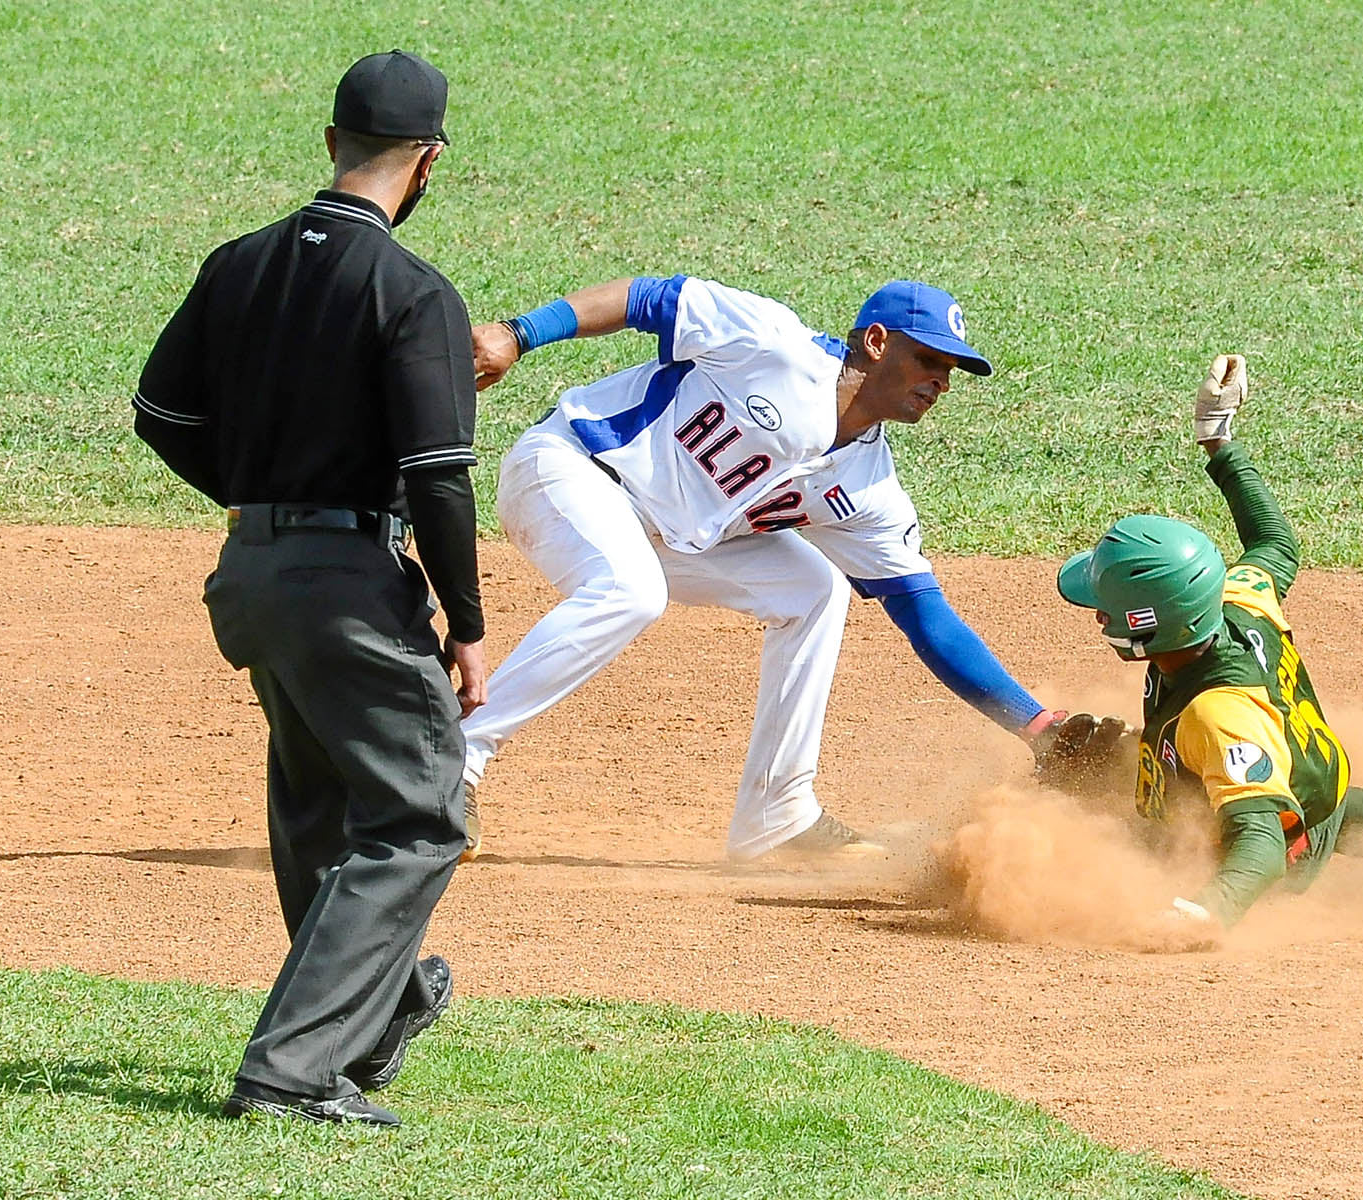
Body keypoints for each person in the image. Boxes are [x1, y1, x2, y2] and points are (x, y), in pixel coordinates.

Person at [132, 50, 484, 1125]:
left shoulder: (237, 263)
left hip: (250, 573)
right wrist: (467, 625)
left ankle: (375, 1017)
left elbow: (160, 413)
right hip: (344, 584)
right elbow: (435, 476)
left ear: (332, 142)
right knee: (421, 817)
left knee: (320, 807)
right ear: (427, 163)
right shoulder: (413, 293)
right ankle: (291, 1072)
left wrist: (260, 499)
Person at [462, 278, 1096, 861]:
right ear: (876, 342)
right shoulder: (771, 343)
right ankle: (454, 763)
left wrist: (1037, 726)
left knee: (814, 589)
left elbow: (926, 616)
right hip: (570, 469)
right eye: (928, 360)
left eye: (951, 370)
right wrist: (518, 334)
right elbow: (644, 296)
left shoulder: (870, 490)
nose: (941, 383)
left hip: (670, 538)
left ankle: (777, 814)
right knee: (632, 591)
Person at [1054, 355, 1363, 942]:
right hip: (1309, 782)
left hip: (1270, 845)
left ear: (1149, 624)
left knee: (1082, 815)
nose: (1097, 614)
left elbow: (1263, 845)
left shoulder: (1219, 717)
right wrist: (1218, 441)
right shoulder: (1240, 598)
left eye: (1107, 605)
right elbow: (1274, 540)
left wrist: (1206, 911)